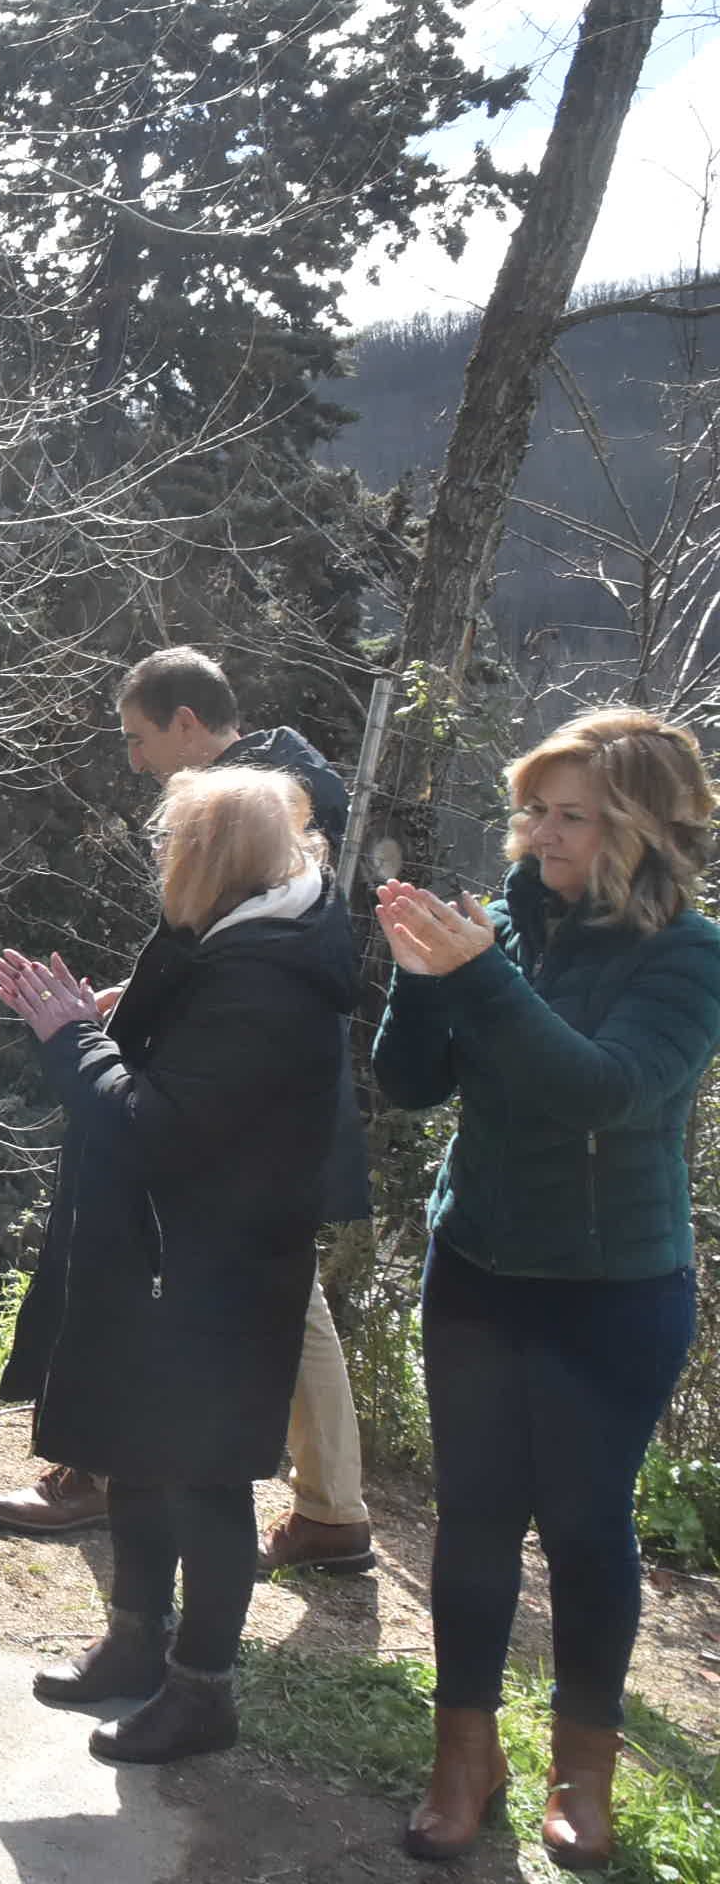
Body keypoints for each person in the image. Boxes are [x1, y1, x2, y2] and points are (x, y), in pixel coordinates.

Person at [373, 708, 720, 1868]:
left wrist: (476, 976)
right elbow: (409, 1082)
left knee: (582, 1525)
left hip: (612, 1289)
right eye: (532, 809)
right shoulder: (501, 923)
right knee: (471, 1515)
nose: (539, 834)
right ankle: (462, 1757)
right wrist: (420, 976)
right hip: (474, 1265)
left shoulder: (687, 954)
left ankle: (585, 1770)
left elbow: (603, 1090)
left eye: (573, 815)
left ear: (644, 826)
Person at [0, 767, 355, 1766]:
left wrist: (72, 1039)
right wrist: (112, 1025)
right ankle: (133, 1641)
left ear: (205, 861)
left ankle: (202, 1688)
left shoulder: (262, 978)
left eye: (168, 845)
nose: (157, 861)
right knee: (137, 1457)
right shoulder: (231, 941)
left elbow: (159, 1129)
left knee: (201, 1480)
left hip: (214, 1271)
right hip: (172, 1258)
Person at [0, 645, 375, 1565]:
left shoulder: (246, 802)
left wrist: (103, 1028)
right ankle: (330, 1507)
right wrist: (140, 992)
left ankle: (111, 1471)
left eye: (138, 738)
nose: (135, 763)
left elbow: (223, 953)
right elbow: (210, 944)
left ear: (188, 724)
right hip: (251, 1097)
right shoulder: (281, 791)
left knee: (200, 1283)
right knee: (289, 1294)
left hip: (221, 1108)